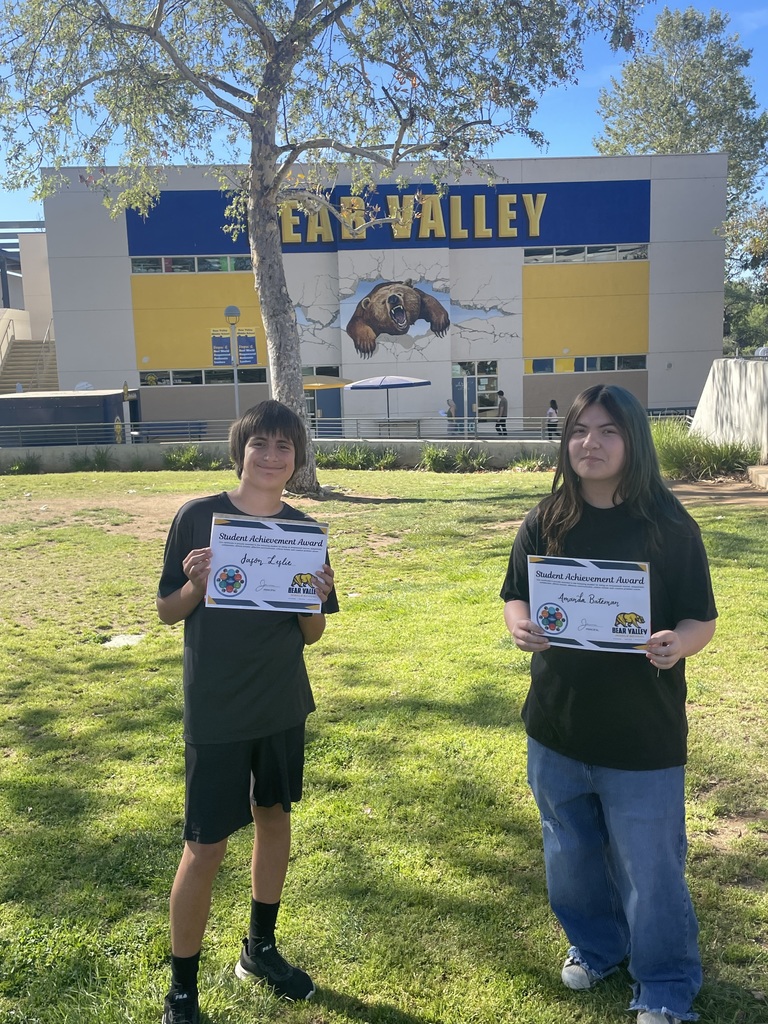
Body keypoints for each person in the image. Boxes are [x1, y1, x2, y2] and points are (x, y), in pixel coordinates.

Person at [501, 384, 716, 1024]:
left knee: (651, 872)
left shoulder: (670, 525)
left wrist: (680, 644)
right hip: (557, 728)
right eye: (579, 431)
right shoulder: (547, 519)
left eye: (608, 431)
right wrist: (518, 624)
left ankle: (667, 986)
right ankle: (598, 947)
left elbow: (700, 619)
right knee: (569, 858)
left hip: (641, 737)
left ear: (634, 442)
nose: (590, 443)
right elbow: (516, 592)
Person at [157, 400, 339, 1024]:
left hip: (281, 702)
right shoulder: (199, 517)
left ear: (297, 459)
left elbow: (312, 633)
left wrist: (314, 598)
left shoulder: (304, 531)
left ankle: (260, 948)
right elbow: (167, 611)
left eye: (284, 447)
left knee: (274, 818)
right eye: (259, 443)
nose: (271, 456)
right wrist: (195, 586)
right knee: (204, 846)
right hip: (218, 709)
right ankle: (182, 988)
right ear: (240, 451)